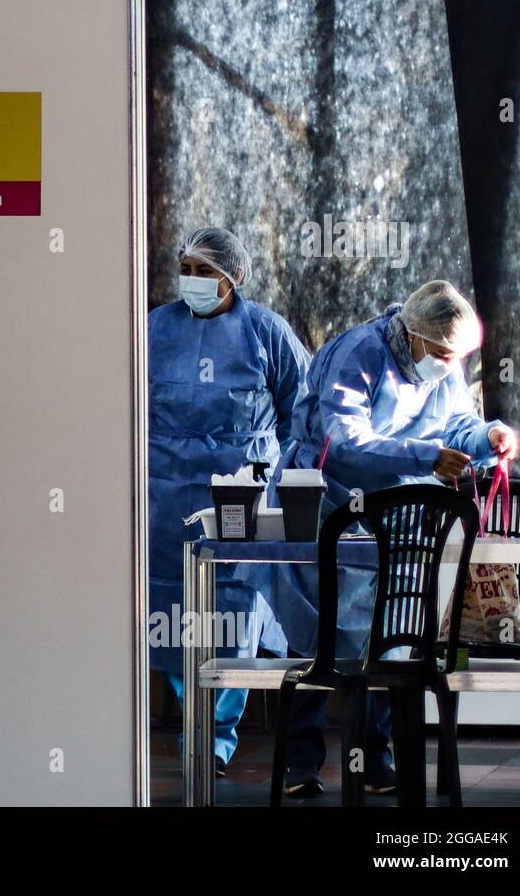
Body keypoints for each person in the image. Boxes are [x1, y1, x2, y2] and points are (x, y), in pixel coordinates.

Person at [267, 280, 520, 796]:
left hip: (395, 516)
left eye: (457, 357)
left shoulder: (440, 362)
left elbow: (456, 424)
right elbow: (343, 442)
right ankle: (300, 761)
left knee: (390, 636)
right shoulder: (359, 355)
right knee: (318, 629)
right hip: (330, 502)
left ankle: (375, 761)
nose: (448, 367)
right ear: (414, 335)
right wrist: (423, 458)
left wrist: (487, 434)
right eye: (443, 354)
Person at [149, 227, 311, 774]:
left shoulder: (267, 333)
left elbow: (304, 413)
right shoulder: (152, 330)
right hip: (164, 497)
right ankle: (192, 720)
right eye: (186, 268)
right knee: (168, 608)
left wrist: (284, 477)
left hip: (241, 495)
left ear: (232, 276)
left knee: (234, 604)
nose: (191, 280)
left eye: (204, 270)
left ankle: (217, 736)